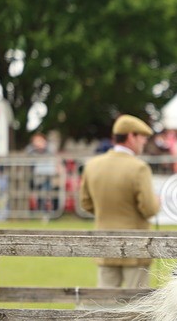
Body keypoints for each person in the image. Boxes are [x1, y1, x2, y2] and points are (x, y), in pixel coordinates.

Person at [78, 114, 161, 288]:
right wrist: (157, 202)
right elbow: (149, 209)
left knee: (104, 303)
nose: (144, 142)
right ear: (131, 136)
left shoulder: (92, 165)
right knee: (135, 305)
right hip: (135, 246)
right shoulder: (139, 168)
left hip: (105, 244)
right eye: (142, 138)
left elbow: (85, 203)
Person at [26, 132, 60, 214]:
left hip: (50, 176)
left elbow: (54, 154)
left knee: (50, 194)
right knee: (40, 194)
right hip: (37, 177)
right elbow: (28, 153)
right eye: (36, 141)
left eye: (40, 140)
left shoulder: (50, 148)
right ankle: (41, 212)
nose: (38, 143)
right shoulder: (31, 150)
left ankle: (51, 212)